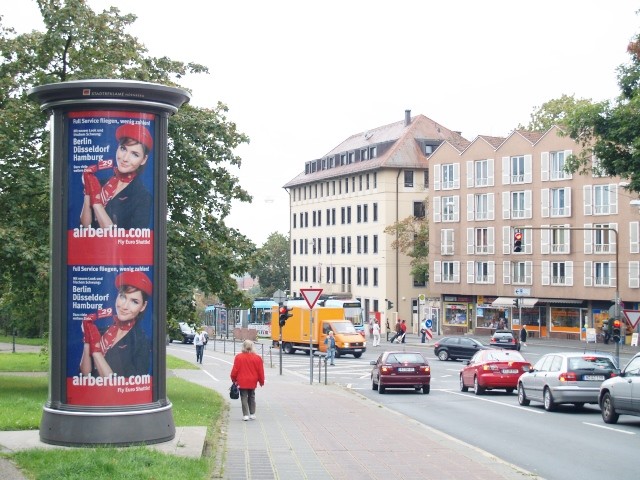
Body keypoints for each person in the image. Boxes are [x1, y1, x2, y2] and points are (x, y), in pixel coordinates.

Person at [80, 123, 153, 230]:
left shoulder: (142, 196)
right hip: (91, 246)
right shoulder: (100, 183)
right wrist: (88, 191)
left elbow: (122, 237)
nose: (125, 158)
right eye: (123, 149)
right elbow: (85, 227)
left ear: (144, 159)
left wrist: (97, 202)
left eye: (135, 154)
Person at [80, 271, 152, 378]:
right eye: (123, 296)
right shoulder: (102, 331)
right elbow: (85, 374)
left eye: (134, 301)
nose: (124, 306)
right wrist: (87, 341)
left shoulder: (141, 341)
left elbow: (123, 384)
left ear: (143, 306)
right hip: (93, 392)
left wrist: (96, 350)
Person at [230, 340, 265, 421]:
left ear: (243, 346)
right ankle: (252, 414)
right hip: (253, 380)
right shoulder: (258, 358)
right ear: (252, 347)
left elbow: (235, 370)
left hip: (242, 380)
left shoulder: (239, 357)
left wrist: (233, 379)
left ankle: (245, 415)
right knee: (252, 396)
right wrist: (261, 381)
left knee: (243, 397)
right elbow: (260, 371)